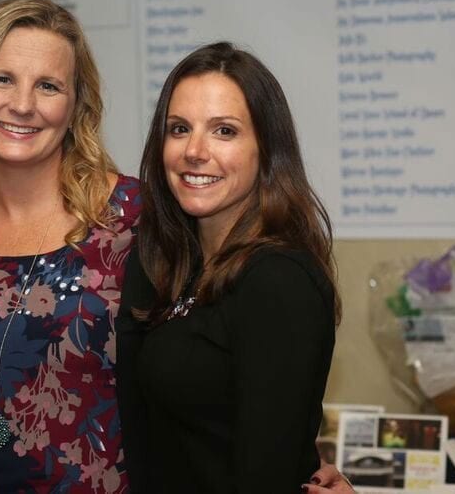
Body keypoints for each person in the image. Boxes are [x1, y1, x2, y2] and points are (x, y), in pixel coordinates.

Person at [0, 0, 140, 491]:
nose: (23, 104)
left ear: (76, 104)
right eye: (2, 78)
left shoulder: (131, 221)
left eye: (48, 86)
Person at [116, 42, 340, 493]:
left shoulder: (278, 281)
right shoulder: (172, 265)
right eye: (179, 129)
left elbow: (266, 474)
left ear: (266, 149)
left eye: (224, 131)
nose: (195, 151)